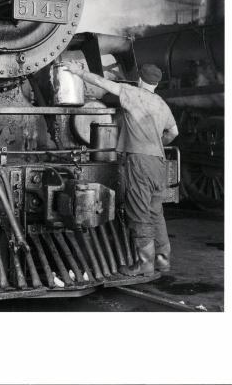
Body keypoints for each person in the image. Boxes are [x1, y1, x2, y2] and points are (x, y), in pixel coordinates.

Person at [66, 61, 179, 277]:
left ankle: (144, 264)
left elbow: (103, 82)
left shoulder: (133, 93)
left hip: (140, 162)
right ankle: (162, 260)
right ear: (156, 83)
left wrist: (78, 72)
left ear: (139, 79)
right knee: (156, 211)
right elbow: (174, 132)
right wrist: (155, 142)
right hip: (159, 162)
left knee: (138, 211)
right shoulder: (161, 103)